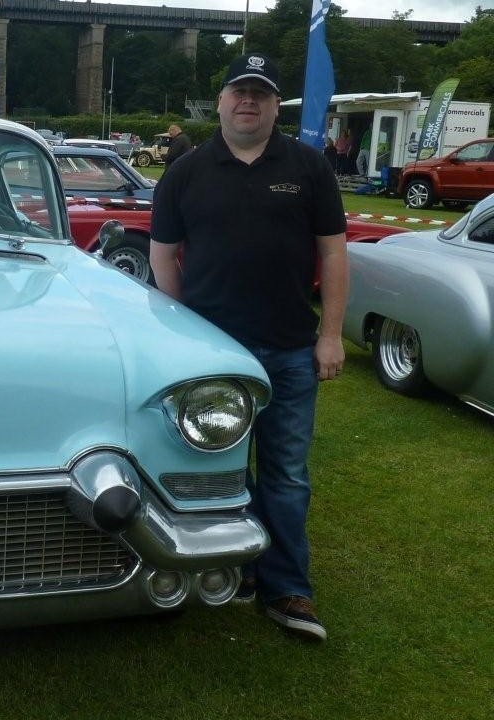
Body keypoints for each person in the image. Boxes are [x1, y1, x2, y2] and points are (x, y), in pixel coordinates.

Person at [149, 53, 348, 642]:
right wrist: (186, 330)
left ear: (273, 104)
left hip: (289, 349)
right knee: (207, 469)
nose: (249, 102)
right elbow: (163, 256)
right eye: (240, 90)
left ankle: (287, 587)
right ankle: (218, 572)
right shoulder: (185, 171)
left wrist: (331, 334)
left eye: (260, 93)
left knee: (286, 474)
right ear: (221, 100)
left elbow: (334, 252)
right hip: (213, 358)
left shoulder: (309, 167)